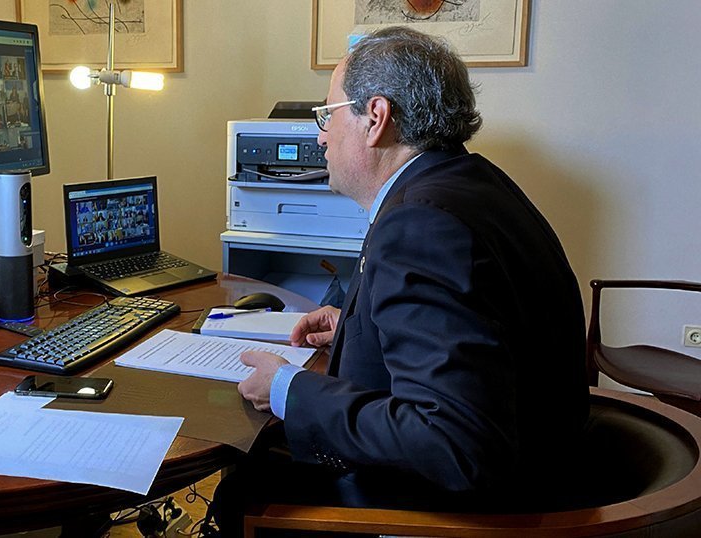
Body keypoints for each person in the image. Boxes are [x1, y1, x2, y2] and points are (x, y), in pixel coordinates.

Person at [213, 27, 590, 535]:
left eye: (327, 116)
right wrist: (357, 320)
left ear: (375, 118)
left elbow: (454, 443)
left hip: (448, 514)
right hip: (541, 475)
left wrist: (289, 388)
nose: (319, 136)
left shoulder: (419, 224)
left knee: (241, 482)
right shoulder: (476, 183)